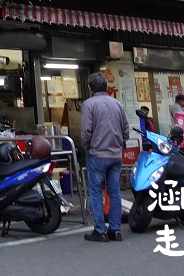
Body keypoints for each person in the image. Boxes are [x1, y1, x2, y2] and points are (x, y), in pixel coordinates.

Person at [81, 71, 128, 242]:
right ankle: (115, 230)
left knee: (95, 192)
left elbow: (86, 131)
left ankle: (100, 230)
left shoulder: (89, 104)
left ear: (90, 87)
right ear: (106, 86)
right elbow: (125, 129)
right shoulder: (117, 104)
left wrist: (86, 147)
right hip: (116, 154)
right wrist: (121, 143)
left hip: (97, 154)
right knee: (114, 192)